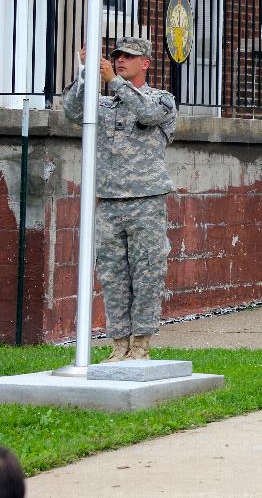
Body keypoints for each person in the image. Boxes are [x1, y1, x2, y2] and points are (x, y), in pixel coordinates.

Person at [63, 37, 177, 362]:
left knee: (147, 273)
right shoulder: (104, 105)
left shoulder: (162, 100)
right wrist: (85, 72)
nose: (120, 61)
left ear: (146, 63)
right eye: (117, 56)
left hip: (146, 201)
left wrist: (113, 80)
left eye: (128, 56)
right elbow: (72, 111)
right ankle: (118, 342)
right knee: (112, 275)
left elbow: (148, 113)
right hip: (109, 202)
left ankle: (141, 342)